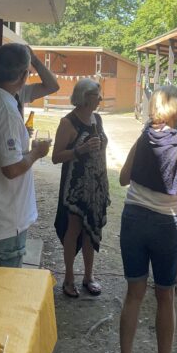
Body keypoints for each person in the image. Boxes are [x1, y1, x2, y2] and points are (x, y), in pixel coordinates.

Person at [117, 86, 177, 353]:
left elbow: (123, 178)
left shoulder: (142, 138)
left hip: (133, 218)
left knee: (133, 294)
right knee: (165, 296)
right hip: (165, 224)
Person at [0, 40, 60, 268]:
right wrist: (36, 152)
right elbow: (11, 169)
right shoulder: (6, 111)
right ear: (24, 75)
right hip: (7, 219)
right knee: (4, 287)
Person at [50, 79, 111, 298]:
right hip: (75, 188)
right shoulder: (68, 123)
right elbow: (56, 157)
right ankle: (69, 278)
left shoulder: (97, 119)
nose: (100, 99)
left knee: (90, 229)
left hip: (96, 185)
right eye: (97, 95)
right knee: (74, 228)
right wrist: (80, 150)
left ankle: (88, 276)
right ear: (85, 97)